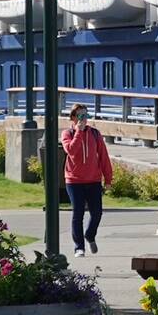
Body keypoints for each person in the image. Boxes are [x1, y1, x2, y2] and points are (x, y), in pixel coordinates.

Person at [62, 103, 110, 256]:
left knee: (97, 213)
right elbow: (71, 151)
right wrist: (78, 132)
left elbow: (103, 157)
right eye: (80, 116)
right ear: (73, 118)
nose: (84, 119)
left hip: (93, 180)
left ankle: (90, 235)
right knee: (78, 213)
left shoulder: (95, 134)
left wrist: (108, 178)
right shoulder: (67, 133)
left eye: (85, 115)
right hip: (74, 180)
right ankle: (79, 247)